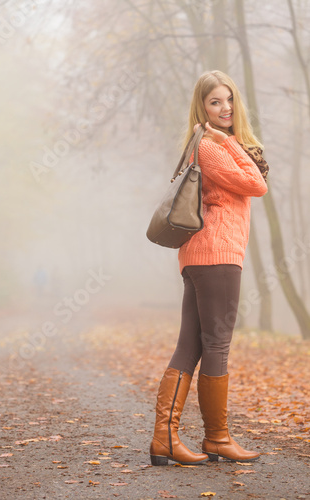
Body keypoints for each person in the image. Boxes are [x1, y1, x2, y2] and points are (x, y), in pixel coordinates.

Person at [150, 70, 269, 466]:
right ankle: (216, 438)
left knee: (192, 344)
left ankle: (165, 437)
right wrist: (225, 141)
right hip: (216, 254)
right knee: (217, 344)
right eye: (215, 102)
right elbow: (255, 183)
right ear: (202, 107)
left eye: (229, 100)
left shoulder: (212, 143)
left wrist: (229, 140)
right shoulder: (211, 147)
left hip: (200, 257)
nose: (225, 108)